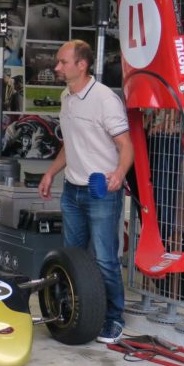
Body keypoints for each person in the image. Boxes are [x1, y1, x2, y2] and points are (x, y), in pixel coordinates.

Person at [38, 40, 134, 345]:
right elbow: (71, 145)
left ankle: (113, 318)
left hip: (101, 192)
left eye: (63, 62)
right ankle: (77, 311)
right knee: (73, 257)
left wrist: (119, 173)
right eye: (57, 62)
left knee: (105, 259)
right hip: (72, 191)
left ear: (82, 65)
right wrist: (51, 172)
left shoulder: (105, 99)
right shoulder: (67, 96)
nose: (57, 67)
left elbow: (126, 145)